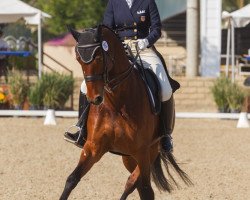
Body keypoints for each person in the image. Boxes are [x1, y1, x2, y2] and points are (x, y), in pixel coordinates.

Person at [65, 0, 178, 153]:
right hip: (118, 51)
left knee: (165, 88)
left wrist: (146, 41)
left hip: (143, 49)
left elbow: (157, 29)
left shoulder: (147, 2)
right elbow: (106, 29)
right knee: (85, 86)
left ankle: (165, 134)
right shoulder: (114, 3)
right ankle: (81, 130)